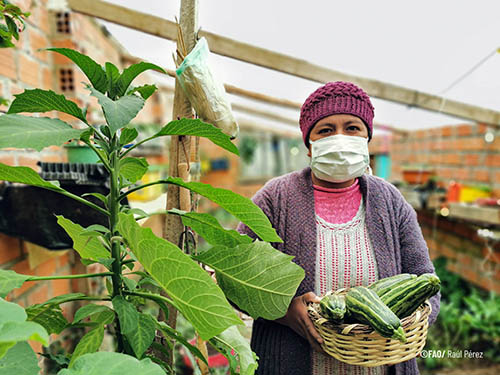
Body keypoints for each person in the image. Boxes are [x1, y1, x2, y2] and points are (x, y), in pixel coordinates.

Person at [236, 81, 440, 375]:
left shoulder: (390, 200)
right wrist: (285, 311)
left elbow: (425, 280)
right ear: (309, 145)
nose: (340, 138)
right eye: (326, 130)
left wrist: (405, 326)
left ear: (367, 139)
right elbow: (235, 280)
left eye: (352, 128)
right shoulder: (275, 199)